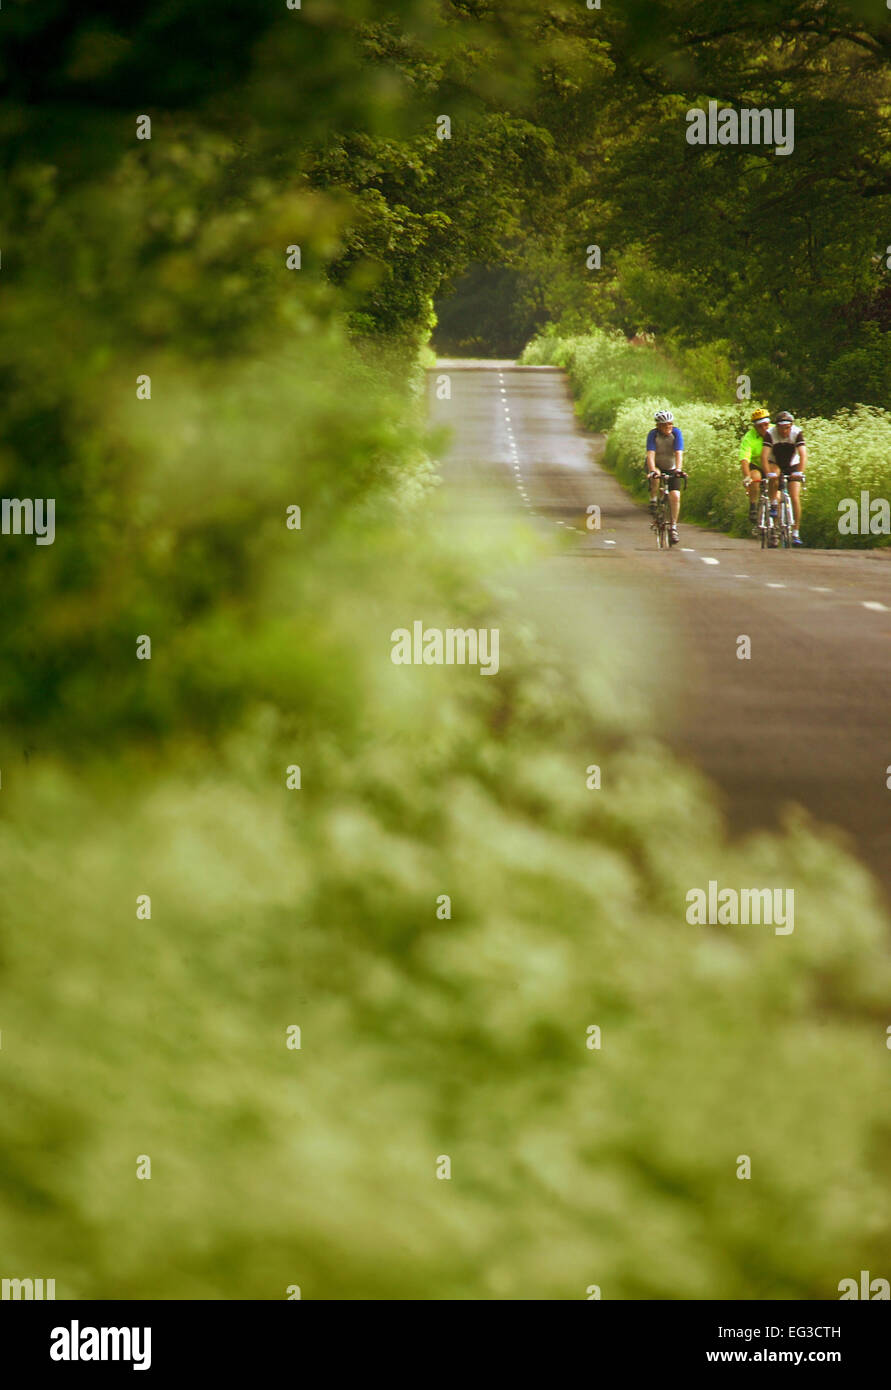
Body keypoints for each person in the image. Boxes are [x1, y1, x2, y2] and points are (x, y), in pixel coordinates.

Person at [761, 410, 807, 545]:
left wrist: (800, 472)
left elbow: (803, 455)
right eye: (781, 428)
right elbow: (764, 456)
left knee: (794, 496)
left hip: (792, 463)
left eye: (787, 428)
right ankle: (774, 503)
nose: (784, 431)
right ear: (777, 426)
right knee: (774, 475)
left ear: (791, 426)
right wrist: (767, 472)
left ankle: (796, 532)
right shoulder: (770, 434)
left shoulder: (796, 433)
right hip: (775, 461)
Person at [646, 409, 685, 543]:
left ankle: (673, 527)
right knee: (655, 477)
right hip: (656, 464)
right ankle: (653, 499)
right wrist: (652, 470)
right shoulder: (653, 434)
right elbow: (650, 454)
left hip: (671, 467)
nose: (668, 427)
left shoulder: (676, 433)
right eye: (664, 425)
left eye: (670, 424)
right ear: (658, 426)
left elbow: (679, 453)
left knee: (675, 496)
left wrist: (678, 470)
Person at [738, 408, 772, 527]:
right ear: (755, 427)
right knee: (755, 477)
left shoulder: (775, 431)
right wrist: (747, 476)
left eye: (766, 425)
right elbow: (745, 459)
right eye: (759, 426)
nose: (764, 428)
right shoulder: (749, 437)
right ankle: (753, 506)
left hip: (772, 464)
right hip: (756, 465)